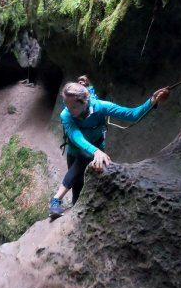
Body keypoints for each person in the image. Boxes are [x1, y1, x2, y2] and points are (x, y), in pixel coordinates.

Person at [49, 82, 170, 216]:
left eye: (73, 107)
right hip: (76, 151)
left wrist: (152, 101)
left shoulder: (101, 107)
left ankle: (56, 200)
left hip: (96, 150)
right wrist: (96, 151)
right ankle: (72, 213)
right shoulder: (65, 115)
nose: (68, 110)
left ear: (85, 103)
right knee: (77, 185)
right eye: (66, 105)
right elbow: (76, 137)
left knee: (86, 170)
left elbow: (132, 115)